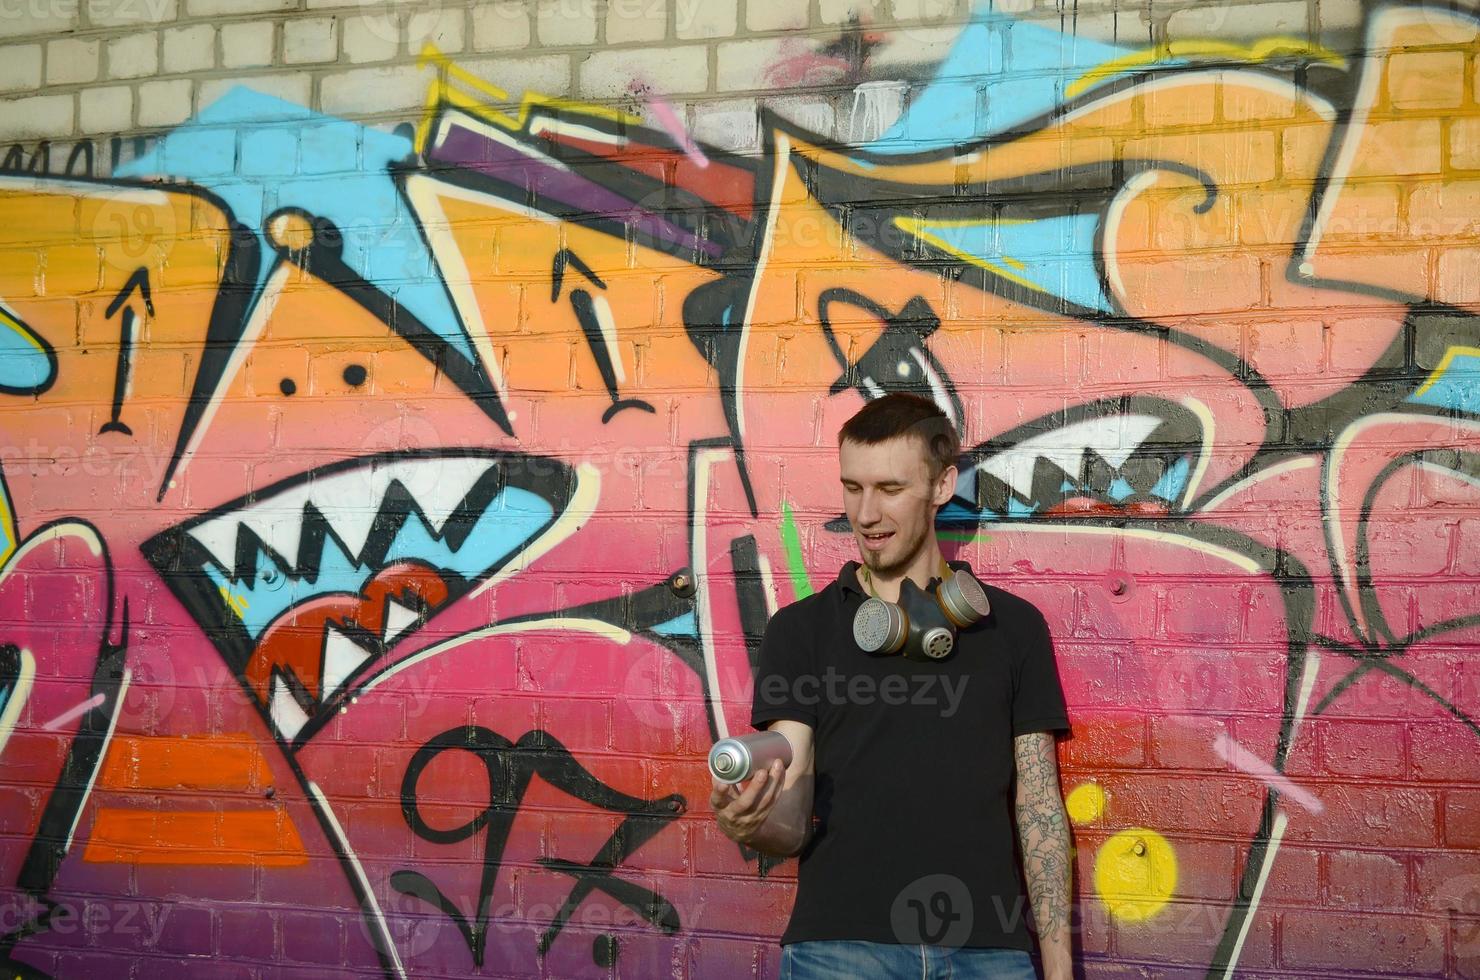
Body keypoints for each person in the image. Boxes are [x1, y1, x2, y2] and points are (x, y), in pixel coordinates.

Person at [711, 392, 1073, 980]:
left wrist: (1058, 972)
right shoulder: (800, 630)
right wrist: (748, 823)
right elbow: (792, 817)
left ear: (941, 484)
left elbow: (1039, 808)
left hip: (989, 954)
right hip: (838, 952)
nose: (866, 514)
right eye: (852, 488)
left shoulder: (1014, 628)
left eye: (889, 489)